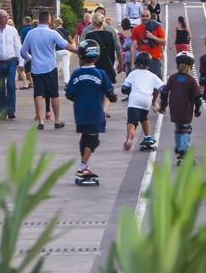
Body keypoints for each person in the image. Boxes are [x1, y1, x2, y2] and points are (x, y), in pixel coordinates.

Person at [65, 40, 117, 184]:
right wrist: (112, 97)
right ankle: (82, 166)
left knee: (85, 138)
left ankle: (85, 165)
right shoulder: (100, 74)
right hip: (95, 113)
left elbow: (69, 94)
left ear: (81, 55)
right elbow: (110, 93)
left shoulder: (76, 74)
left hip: (80, 113)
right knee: (93, 140)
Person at [20, 11, 75, 130]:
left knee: (38, 94)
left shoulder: (30, 33)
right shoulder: (53, 33)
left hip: (36, 69)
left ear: (39, 19)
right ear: (49, 20)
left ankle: (40, 121)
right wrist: (79, 51)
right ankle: (57, 120)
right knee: (54, 94)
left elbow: (23, 52)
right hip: (50, 68)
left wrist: (31, 58)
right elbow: (66, 45)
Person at [158, 52, 203, 164]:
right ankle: (184, 152)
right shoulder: (191, 80)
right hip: (186, 108)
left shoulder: (172, 78)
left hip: (174, 108)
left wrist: (163, 106)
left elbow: (164, 93)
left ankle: (179, 147)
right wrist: (197, 110)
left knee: (178, 127)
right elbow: (197, 97)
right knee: (186, 129)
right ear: (190, 66)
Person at [122, 52, 165, 151]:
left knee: (132, 120)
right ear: (149, 64)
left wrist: (128, 91)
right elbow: (163, 87)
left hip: (134, 100)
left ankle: (130, 135)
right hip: (146, 101)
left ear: (136, 63)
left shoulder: (133, 74)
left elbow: (124, 88)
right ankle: (147, 136)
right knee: (144, 118)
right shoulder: (152, 75)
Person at [0, 10, 22, 120]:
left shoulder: (12, 31)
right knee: (1, 87)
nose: (5, 19)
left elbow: (18, 46)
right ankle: (3, 111)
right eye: (3, 17)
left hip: (11, 61)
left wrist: (21, 62)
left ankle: (11, 110)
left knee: (11, 85)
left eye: (6, 17)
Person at [132, 9, 166, 78]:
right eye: (143, 16)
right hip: (142, 60)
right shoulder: (136, 29)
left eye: (147, 16)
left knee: (157, 83)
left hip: (154, 59)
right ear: (140, 17)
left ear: (150, 16)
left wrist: (153, 37)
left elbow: (164, 42)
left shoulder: (157, 27)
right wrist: (132, 63)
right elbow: (133, 46)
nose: (145, 18)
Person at [53, 17, 73, 86]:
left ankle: (54, 81)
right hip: (66, 50)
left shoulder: (54, 32)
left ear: (56, 23)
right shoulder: (66, 31)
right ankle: (67, 82)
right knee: (66, 67)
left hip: (57, 50)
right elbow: (70, 41)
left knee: (56, 66)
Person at [18, 16, 35, 90]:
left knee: (28, 68)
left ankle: (31, 82)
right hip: (34, 49)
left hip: (27, 50)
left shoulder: (23, 30)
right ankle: (32, 82)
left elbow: (22, 41)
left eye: (23, 21)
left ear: (25, 21)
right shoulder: (34, 29)